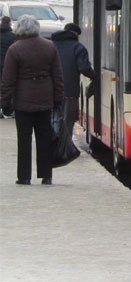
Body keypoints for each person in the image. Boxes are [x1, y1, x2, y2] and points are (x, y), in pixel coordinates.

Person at [1, 15, 64, 185]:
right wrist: (58, 98)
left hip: (23, 101)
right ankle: (46, 175)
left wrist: (5, 103)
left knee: (24, 138)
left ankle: (24, 176)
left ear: (20, 29)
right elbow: (57, 76)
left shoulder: (15, 49)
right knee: (44, 138)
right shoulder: (49, 46)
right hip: (45, 98)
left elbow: (8, 80)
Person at [50, 22, 97, 143]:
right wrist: (94, 76)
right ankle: (64, 146)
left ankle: (53, 143)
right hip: (70, 91)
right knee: (67, 120)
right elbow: (84, 68)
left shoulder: (51, 45)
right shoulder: (78, 47)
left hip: (50, 90)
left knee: (53, 118)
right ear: (76, 34)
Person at [0, 15, 14, 117]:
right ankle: (7, 108)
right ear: (9, 23)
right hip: (8, 65)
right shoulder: (13, 36)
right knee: (7, 87)